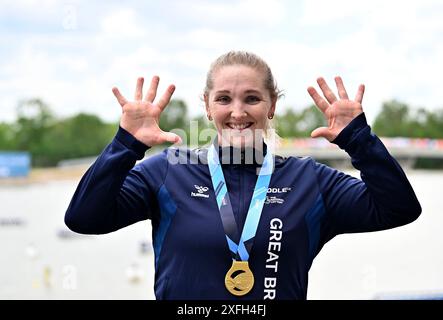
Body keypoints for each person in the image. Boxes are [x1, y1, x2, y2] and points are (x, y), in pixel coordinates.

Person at [65, 51, 421, 300]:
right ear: (207, 106)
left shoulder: (310, 181)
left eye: (252, 98)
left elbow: (399, 209)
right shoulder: (168, 171)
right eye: (224, 99)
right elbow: (84, 218)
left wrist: (359, 139)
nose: (238, 112)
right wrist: (125, 145)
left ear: (272, 106)